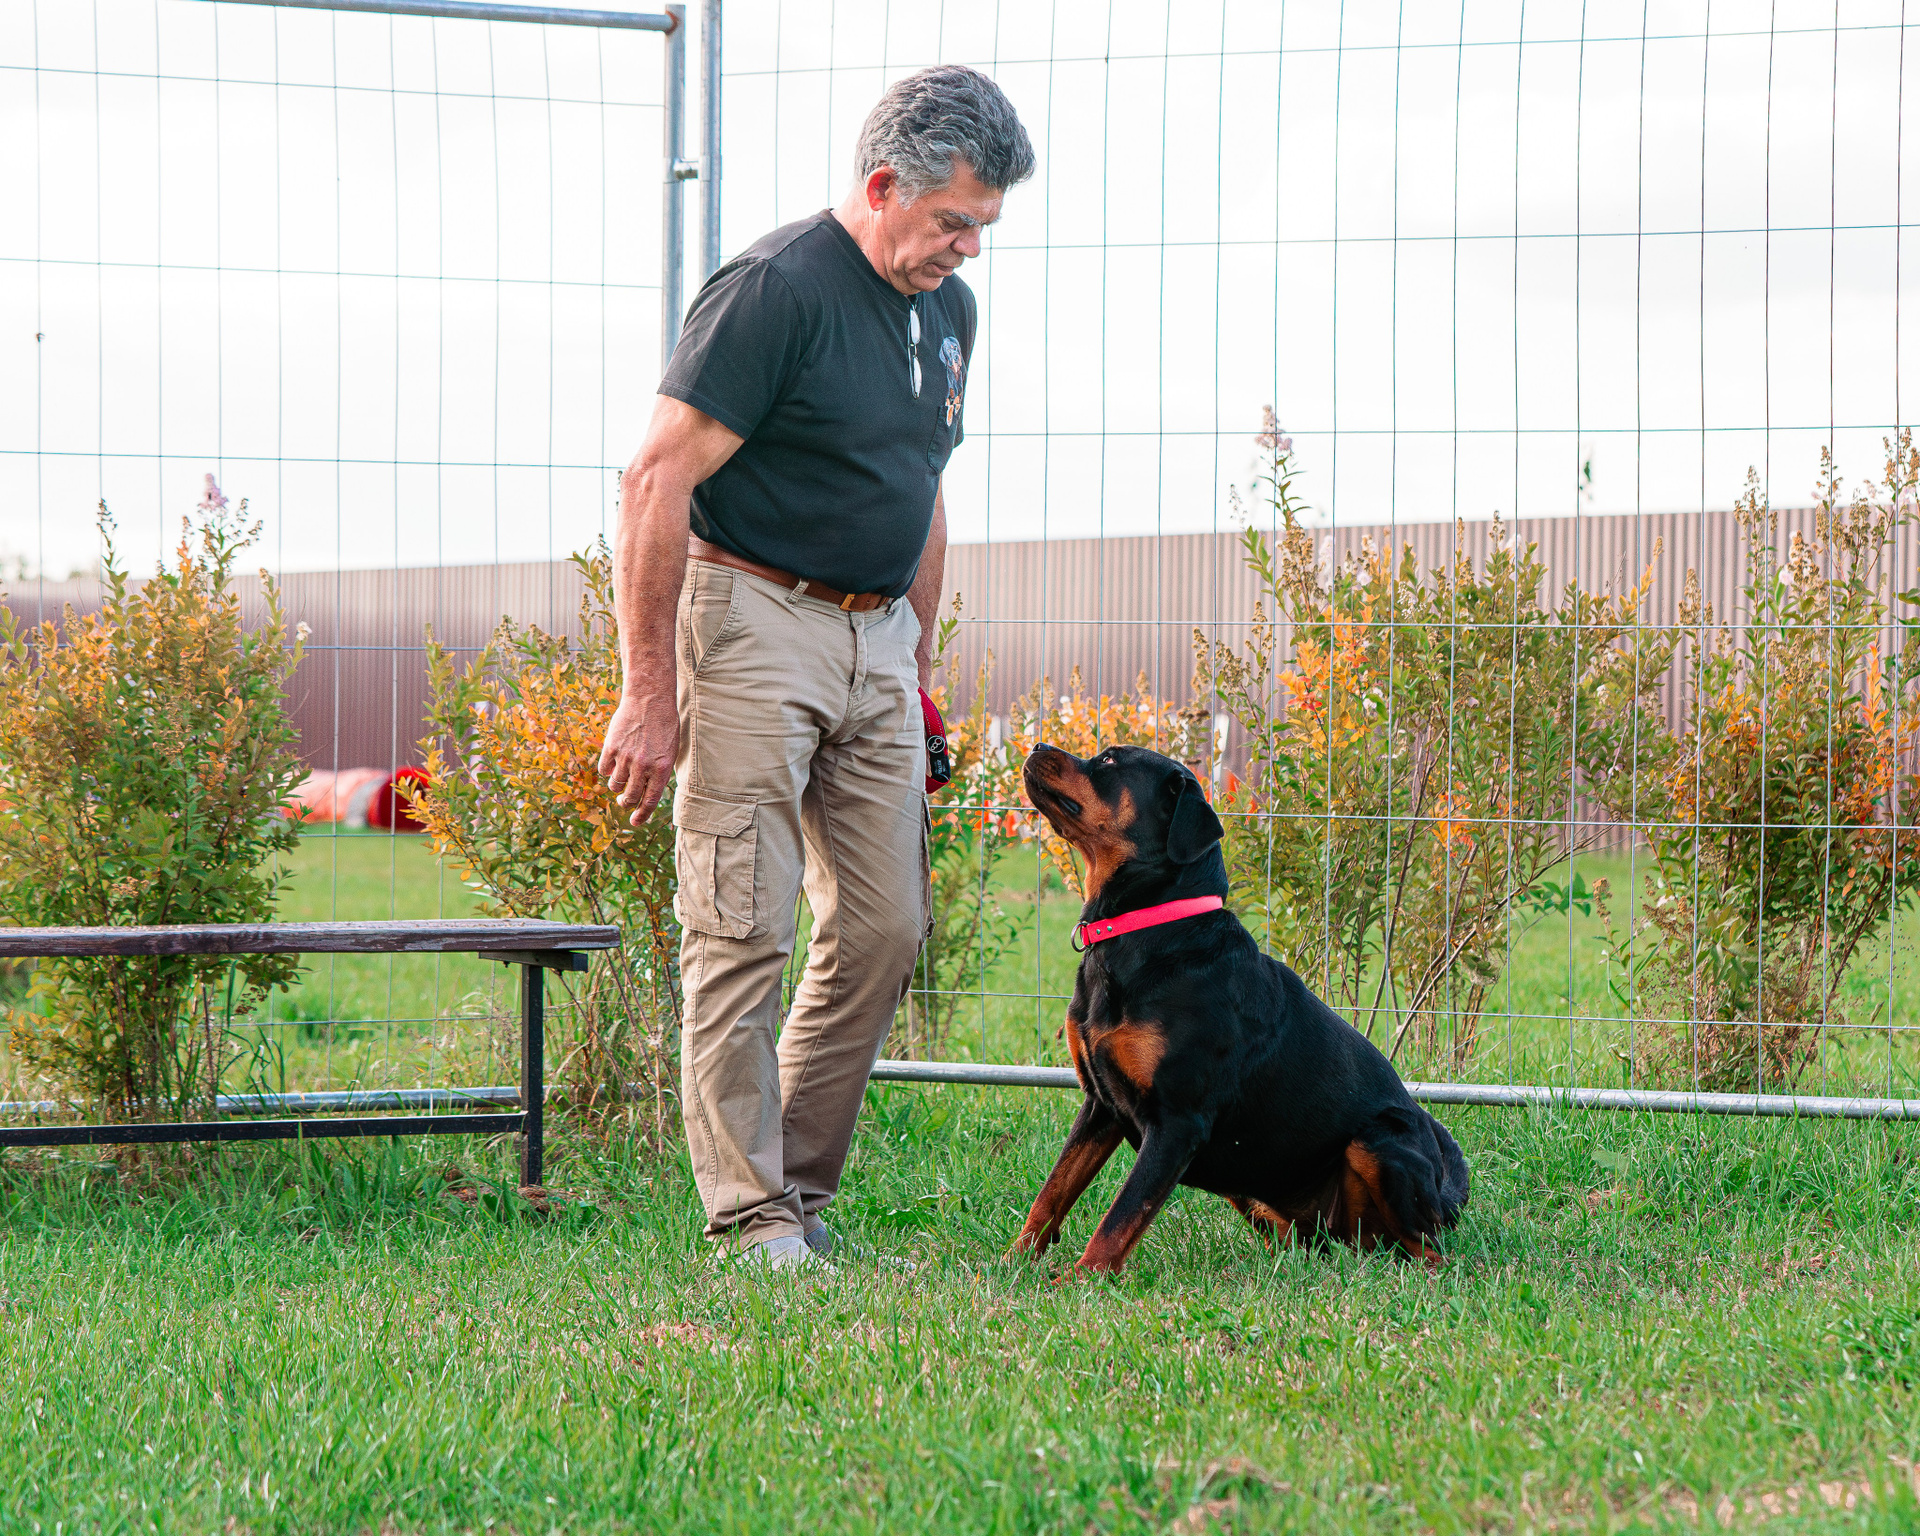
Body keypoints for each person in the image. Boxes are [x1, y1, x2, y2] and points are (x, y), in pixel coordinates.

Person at [597, 66, 1035, 1267]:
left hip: (878, 638)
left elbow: (923, 485)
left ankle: (795, 1189)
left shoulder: (948, 312)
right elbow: (654, 480)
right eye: (953, 221)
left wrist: (916, 665)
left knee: (887, 925)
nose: (969, 248)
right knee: (742, 921)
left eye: (984, 226)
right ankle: (751, 1220)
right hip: (752, 619)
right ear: (883, 186)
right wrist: (649, 691)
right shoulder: (776, 290)